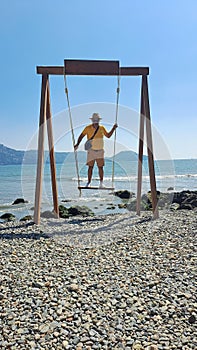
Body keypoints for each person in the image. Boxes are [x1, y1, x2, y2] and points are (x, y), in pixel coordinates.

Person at [74, 113, 118, 188]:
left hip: (100, 151)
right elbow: (81, 136)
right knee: (90, 167)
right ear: (92, 120)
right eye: (94, 120)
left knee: (100, 167)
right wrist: (77, 144)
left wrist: (113, 128)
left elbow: (108, 136)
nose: (95, 121)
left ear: (98, 121)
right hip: (91, 150)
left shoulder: (101, 128)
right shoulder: (87, 128)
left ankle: (101, 183)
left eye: (96, 120)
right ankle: (88, 182)